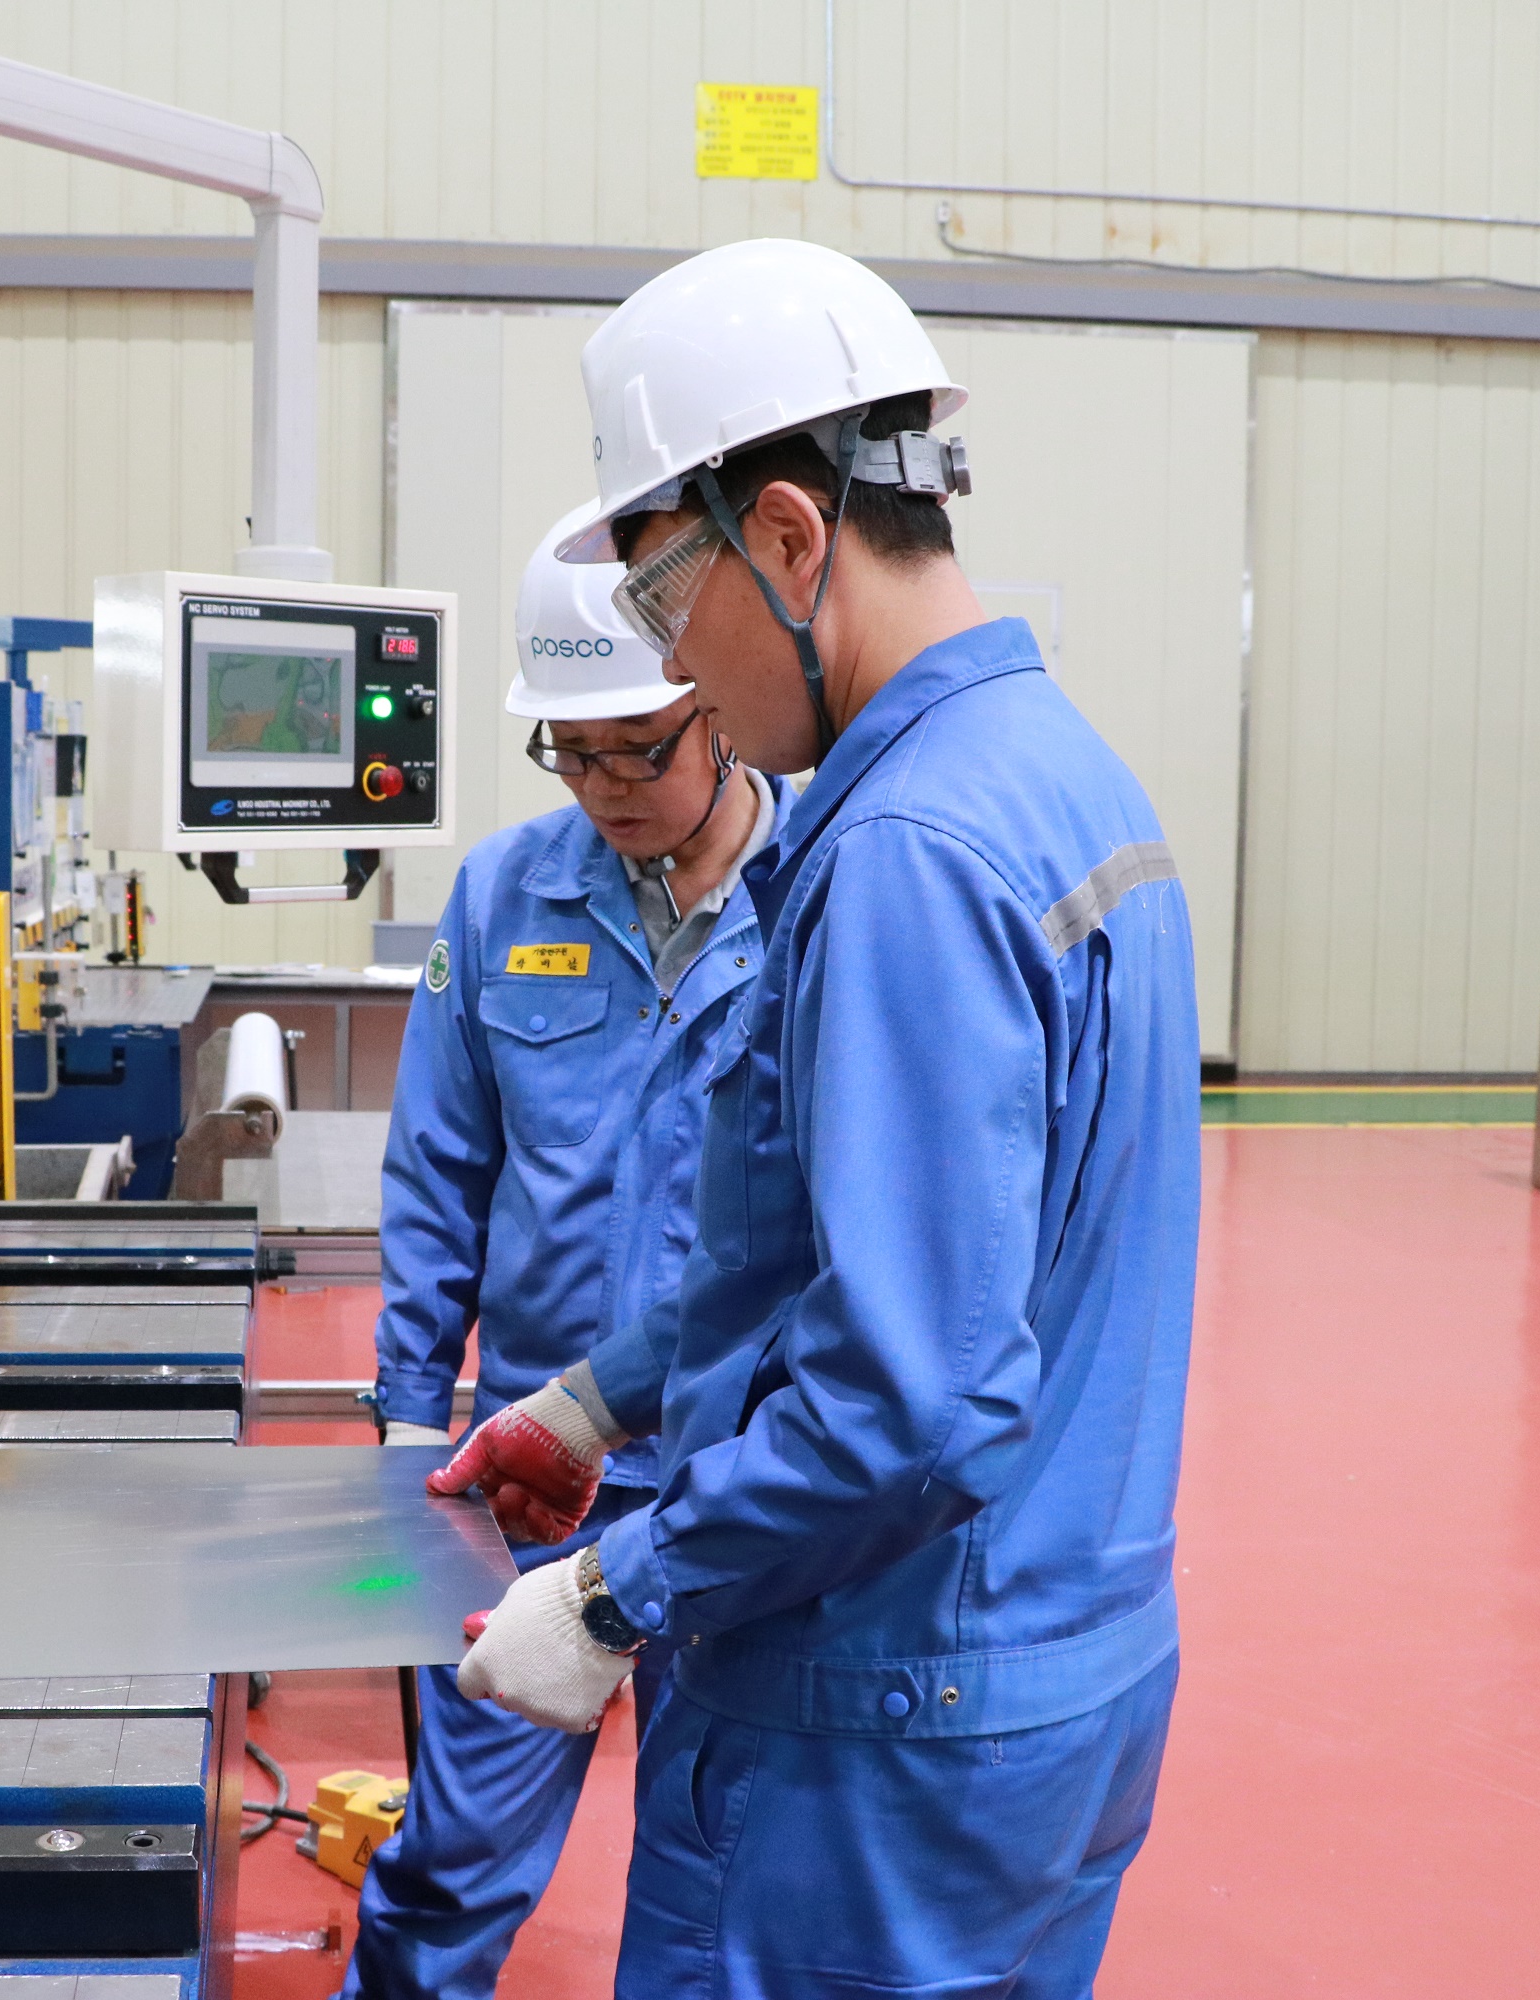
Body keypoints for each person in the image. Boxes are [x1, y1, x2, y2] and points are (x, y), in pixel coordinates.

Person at [439, 239, 1201, 1998]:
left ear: (787, 537)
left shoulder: (903, 853)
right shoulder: (1065, 774)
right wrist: (598, 1397)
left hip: (877, 1719)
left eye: (657, 608)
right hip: (1056, 1677)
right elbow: (881, 1246)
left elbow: (911, 1404)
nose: (678, 681)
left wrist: (621, 1591)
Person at [342, 504, 789, 2000]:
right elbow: (441, 1164)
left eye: (638, 750)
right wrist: (412, 1412)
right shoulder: (504, 895)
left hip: (745, 1485)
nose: (605, 789)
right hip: (539, 1467)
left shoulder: (827, 905)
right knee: (457, 1856)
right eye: (571, 753)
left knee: (722, 1865)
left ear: (717, 712)